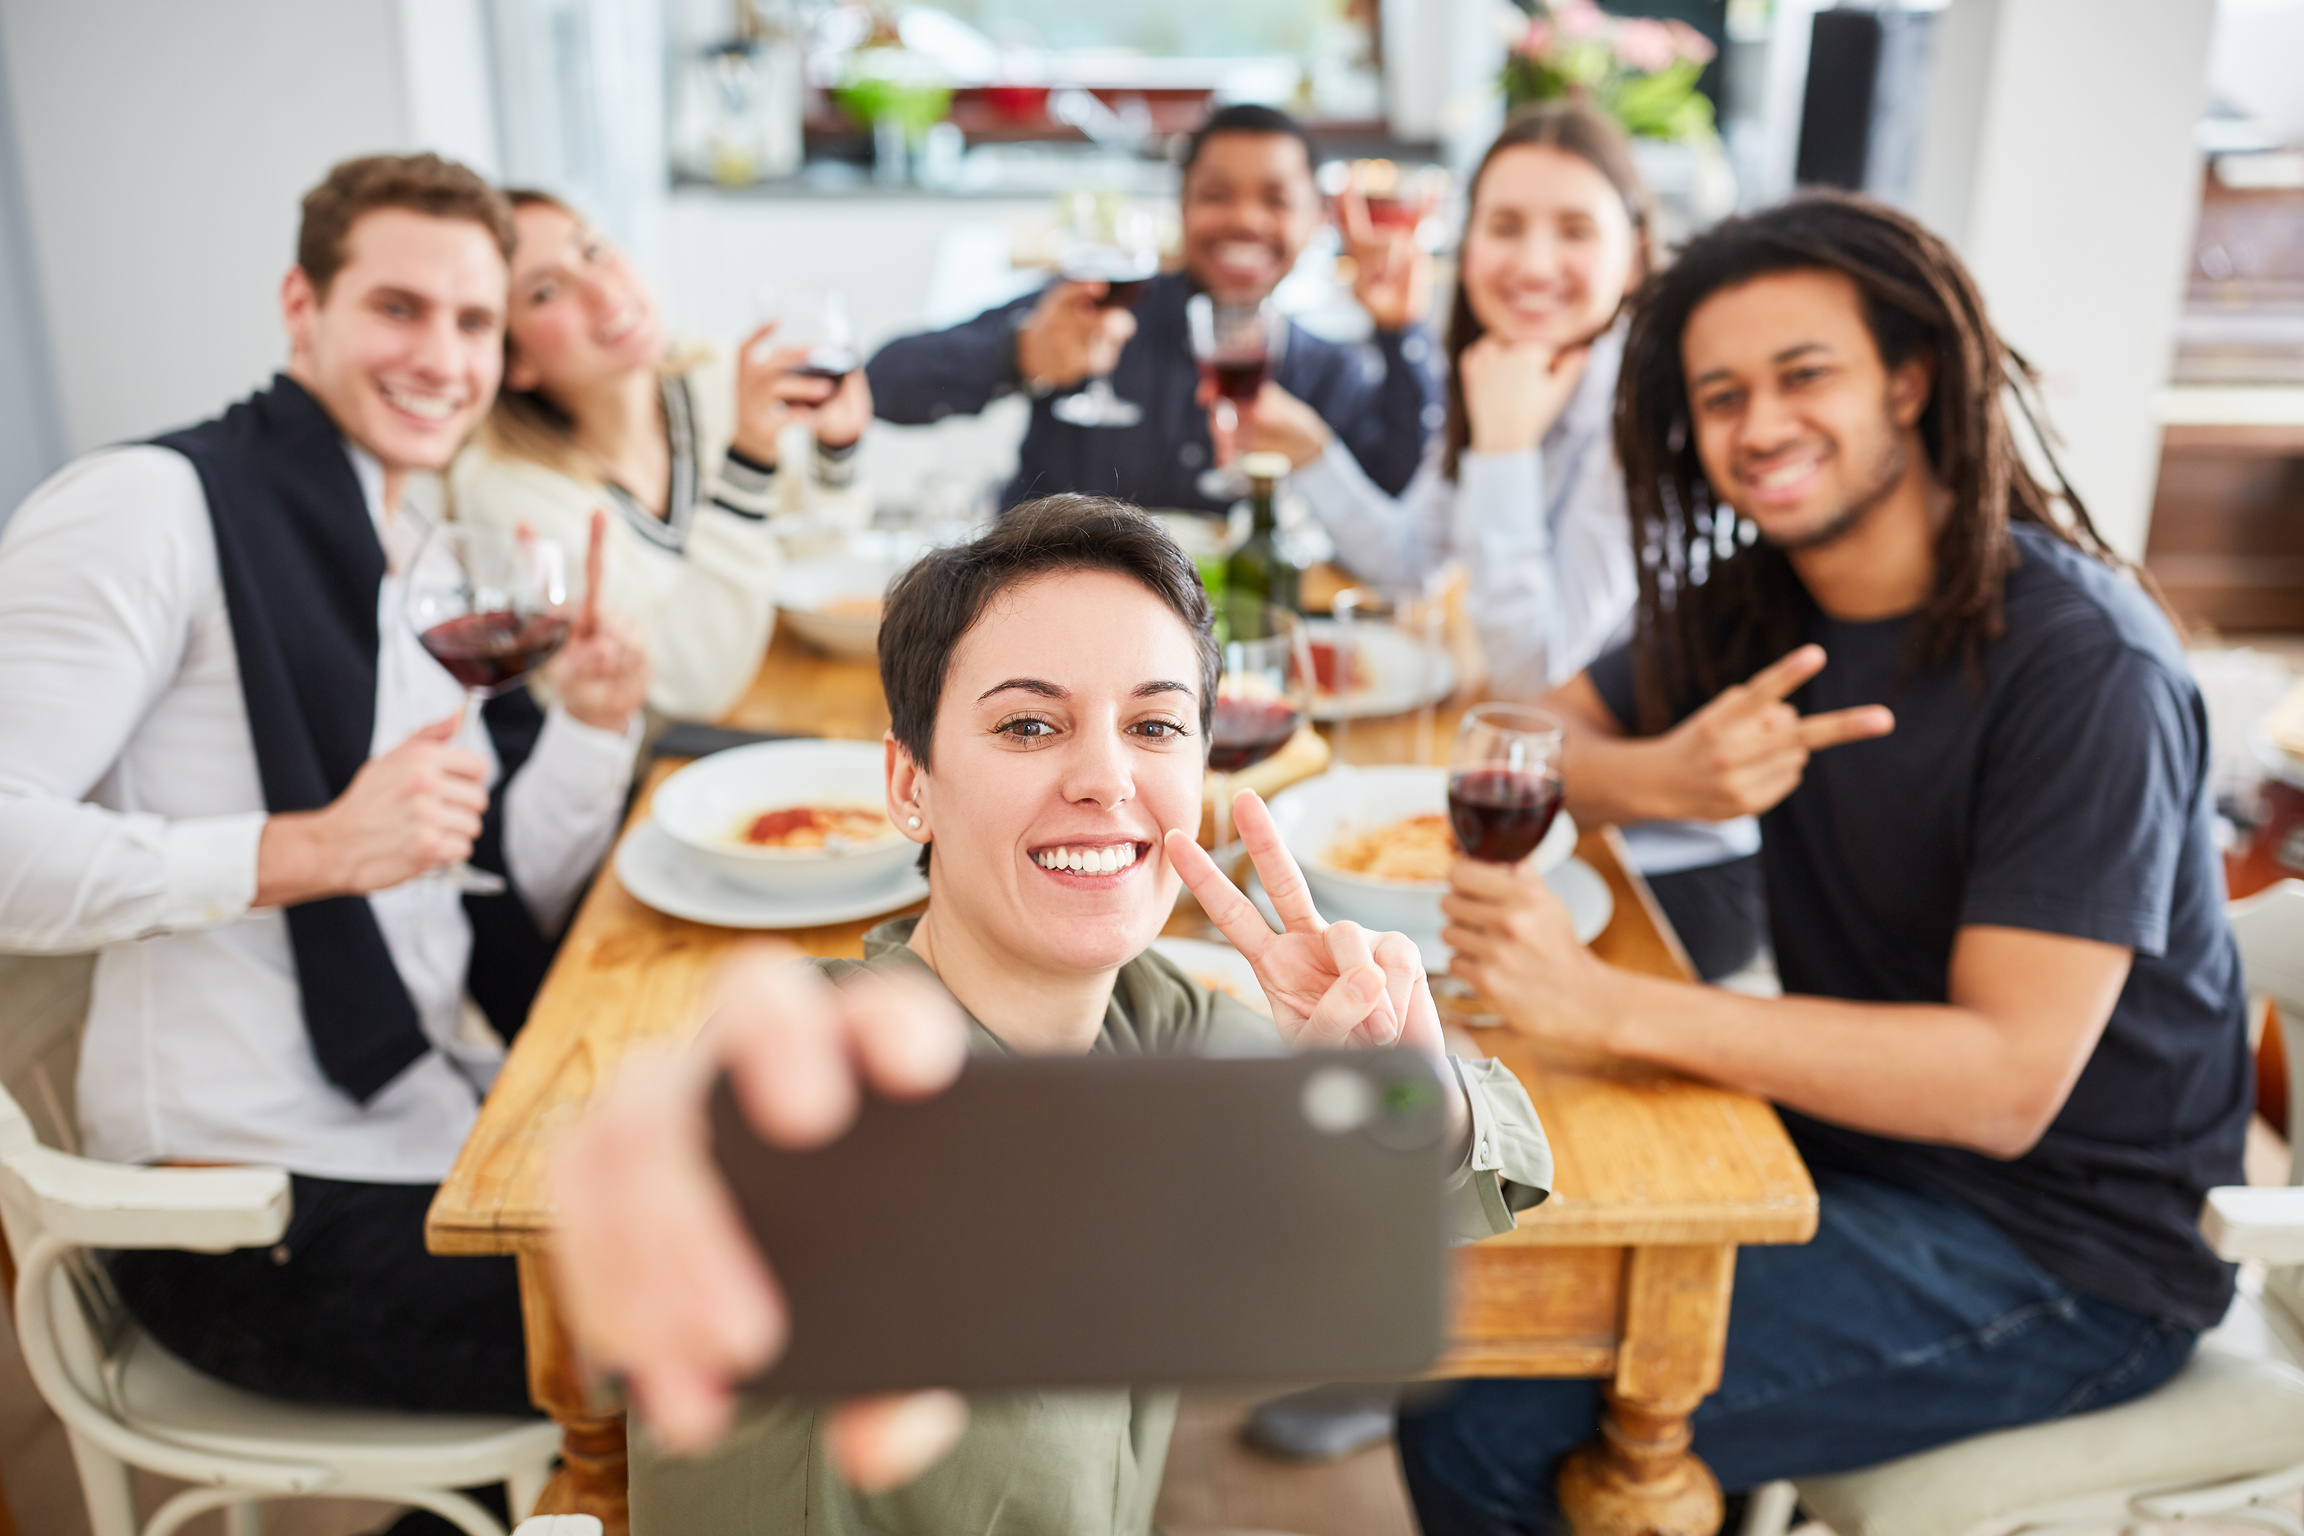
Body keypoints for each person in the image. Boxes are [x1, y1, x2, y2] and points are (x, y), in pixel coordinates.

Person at [1400, 193, 2252, 1534]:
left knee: (1485, 1417)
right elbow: (1517, 736)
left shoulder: (2086, 668)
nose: (1758, 426)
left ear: (1912, 381)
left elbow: (2003, 1084)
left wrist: (1608, 1002)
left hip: (2066, 1255)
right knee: (1478, 1271)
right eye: (1721, 394)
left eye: (1805, 375)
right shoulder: (1766, 599)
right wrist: (1665, 777)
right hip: (1845, 1145)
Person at [570, 495, 1550, 1536]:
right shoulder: (830, 1082)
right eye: (1029, 724)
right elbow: (735, 1145)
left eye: (1155, 725)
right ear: (913, 784)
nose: (1103, 777)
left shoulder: (1156, 1022)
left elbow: (1457, 1169)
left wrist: (1402, 1086)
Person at [0, 153, 648, 1459]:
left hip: (424, 1126)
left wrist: (586, 726)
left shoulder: (410, 556)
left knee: (765, 1208)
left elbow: (498, 880)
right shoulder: (151, 507)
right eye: (398, 309)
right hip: (237, 1224)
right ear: (302, 306)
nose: (444, 358)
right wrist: (302, 851)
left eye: (475, 322)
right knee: (738, 1331)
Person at [1234, 100, 1765, 985]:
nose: (1532, 262)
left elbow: (1533, 686)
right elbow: (1408, 561)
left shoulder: (1649, 415)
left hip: (1655, 872)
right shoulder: (1508, 365)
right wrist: (1312, 451)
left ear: (1634, 251)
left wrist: (1508, 445)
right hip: (1543, 834)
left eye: (1573, 230)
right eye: (1506, 226)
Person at [866, 105, 1441, 513]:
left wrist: (1399, 330)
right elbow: (883, 386)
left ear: (1317, 222)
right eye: (1217, 195)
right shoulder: (1087, 312)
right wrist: (1017, 354)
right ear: (1182, 208)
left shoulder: (1324, 370)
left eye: (1275, 199)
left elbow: (1398, 495)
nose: (1244, 219)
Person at [451, 190, 872, 720]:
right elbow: (692, 684)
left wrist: (838, 448)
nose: (603, 291)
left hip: (773, 699)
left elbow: (815, 558)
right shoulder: (508, 496)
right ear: (512, 360)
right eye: (546, 291)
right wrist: (749, 464)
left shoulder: (714, 378)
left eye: (593, 250)